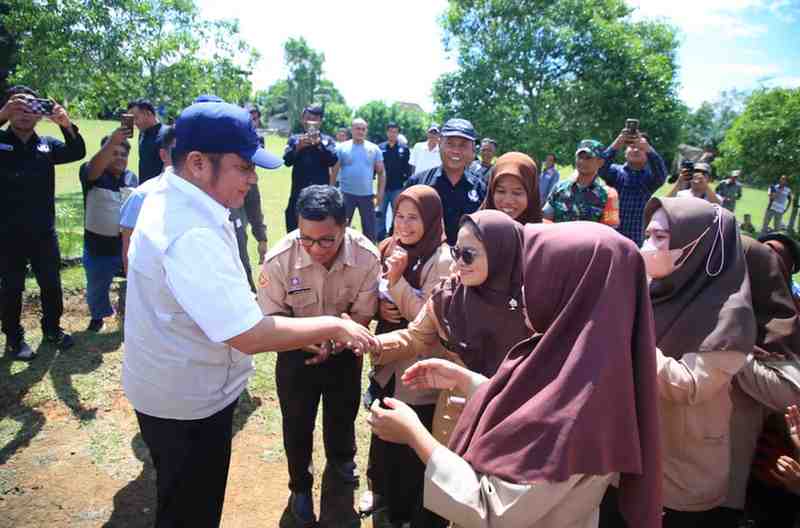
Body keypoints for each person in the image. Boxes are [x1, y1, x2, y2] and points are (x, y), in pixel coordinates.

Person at [123, 103, 378, 528]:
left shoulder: (167, 196)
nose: (253, 178)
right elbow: (248, 333)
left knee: (181, 502)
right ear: (198, 163)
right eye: (243, 167)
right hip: (188, 403)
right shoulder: (192, 232)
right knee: (190, 512)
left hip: (174, 386)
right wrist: (336, 324)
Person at [369, 220, 663, 528]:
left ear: (572, 289)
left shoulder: (579, 405)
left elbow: (490, 508)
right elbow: (531, 410)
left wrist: (414, 434)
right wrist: (468, 382)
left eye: (535, 277)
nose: (521, 290)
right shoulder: (577, 361)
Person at [257, 184, 381, 528]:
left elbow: (363, 312)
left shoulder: (367, 257)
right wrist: (310, 340)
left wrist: (338, 340)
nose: (315, 249)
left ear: (344, 226)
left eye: (326, 240)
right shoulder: (279, 260)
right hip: (296, 355)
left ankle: (340, 473)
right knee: (296, 425)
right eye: (306, 239)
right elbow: (271, 319)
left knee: (342, 419)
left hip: (346, 354)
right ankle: (299, 487)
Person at [370, 211, 534, 456]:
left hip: (512, 420)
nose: (457, 264)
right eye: (457, 252)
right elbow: (416, 337)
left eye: (469, 255)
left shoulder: (533, 307)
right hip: (454, 415)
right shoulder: (448, 294)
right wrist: (370, 343)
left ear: (501, 253)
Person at [639, 197, 755, 526]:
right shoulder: (654, 287)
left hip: (682, 473)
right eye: (647, 235)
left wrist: (629, 335)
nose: (648, 246)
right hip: (632, 460)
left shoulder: (731, 314)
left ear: (699, 245)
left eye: (660, 237)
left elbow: (689, 386)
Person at [364, 185, 453, 527]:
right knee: (382, 426)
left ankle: (403, 510)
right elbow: (373, 293)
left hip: (417, 366)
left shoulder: (442, 260)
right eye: (399, 216)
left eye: (413, 218)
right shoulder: (390, 247)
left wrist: (398, 283)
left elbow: (427, 319)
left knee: (409, 441)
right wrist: (380, 308)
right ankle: (380, 492)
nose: (404, 225)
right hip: (388, 360)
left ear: (430, 220)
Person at [1, 86, 85, 360]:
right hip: (7, 233)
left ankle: (51, 328)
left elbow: (77, 151)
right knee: (12, 287)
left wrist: (65, 124)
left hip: (43, 232)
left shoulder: (46, 145)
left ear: (39, 115)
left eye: (31, 109)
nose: (25, 114)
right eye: (18, 108)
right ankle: (14, 337)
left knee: (51, 284)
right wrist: (1, 115)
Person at [723, 235, 800, 525]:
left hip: (758, 481)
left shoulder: (785, 326)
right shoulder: (700, 305)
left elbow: (788, 394)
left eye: (779, 260)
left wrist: (727, 347)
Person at [79, 130, 138, 332]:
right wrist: (112, 141)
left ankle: (131, 317)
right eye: (114, 153)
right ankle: (98, 318)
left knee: (137, 283)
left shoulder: (132, 178)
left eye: (124, 154)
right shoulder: (91, 173)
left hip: (126, 246)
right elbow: (92, 171)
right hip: (98, 246)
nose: (120, 158)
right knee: (97, 285)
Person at [404, 118, 487, 245]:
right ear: (440, 144)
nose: (456, 151)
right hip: (424, 256)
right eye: (450, 144)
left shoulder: (481, 190)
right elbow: (399, 229)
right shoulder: (417, 183)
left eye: (463, 145)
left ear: (472, 149)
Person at [120, 126, 176, 273]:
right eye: (178, 153)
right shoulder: (141, 197)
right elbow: (129, 258)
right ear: (163, 155)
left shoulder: (204, 197)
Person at [598, 131, 668, 246]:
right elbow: (600, 166)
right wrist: (617, 143)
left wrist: (648, 148)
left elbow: (661, 174)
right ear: (625, 152)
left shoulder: (650, 178)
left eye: (641, 148)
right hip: (611, 237)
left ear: (647, 154)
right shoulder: (615, 172)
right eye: (631, 146)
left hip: (636, 240)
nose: (635, 150)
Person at [283, 105, 338, 233]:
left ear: (320, 121)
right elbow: (287, 161)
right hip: (298, 192)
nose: (311, 122)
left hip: (320, 194)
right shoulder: (295, 139)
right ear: (302, 120)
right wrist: (298, 147)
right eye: (308, 118)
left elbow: (333, 160)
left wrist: (319, 144)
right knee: (293, 227)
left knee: (320, 228)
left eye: (315, 119)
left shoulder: (327, 140)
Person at [330, 118, 385, 243]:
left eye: (363, 129)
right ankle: (340, 249)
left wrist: (380, 193)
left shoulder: (374, 149)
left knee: (370, 231)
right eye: (357, 129)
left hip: (367, 196)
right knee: (341, 227)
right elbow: (334, 171)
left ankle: (370, 253)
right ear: (352, 130)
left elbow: (381, 172)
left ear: (366, 131)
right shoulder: (341, 148)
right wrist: (331, 190)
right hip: (345, 194)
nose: (360, 131)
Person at [543, 139, 620, 228]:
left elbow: (610, 229)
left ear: (600, 162)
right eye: (580, 157)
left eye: (588, 158)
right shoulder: (560, 187)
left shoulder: (609, 194)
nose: (582, 161)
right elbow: (545, 218)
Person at [480, 152, 541, 224]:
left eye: (517, 193)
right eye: (501, 191)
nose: (508, 201)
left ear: (531, 193)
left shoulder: (544, 230)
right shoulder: (475, 227)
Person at [377, 122, 412, 241]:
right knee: (380, 213)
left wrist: (406, 185)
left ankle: (394, 235)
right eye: (390, 131)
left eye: (395, 132)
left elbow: (407, 169)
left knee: (397, 213)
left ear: (398, 133)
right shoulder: (380, 148)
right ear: (387, 132)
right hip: (382, 188)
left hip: (397, 187)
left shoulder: (404, 149)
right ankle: (380, 236)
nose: (392, 134)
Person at [127, 98, 164, 184]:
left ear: (148, 114)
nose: (134, 123)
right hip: (144, 187)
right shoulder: (142, 134)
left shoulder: (167, 134)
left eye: (136, 118)